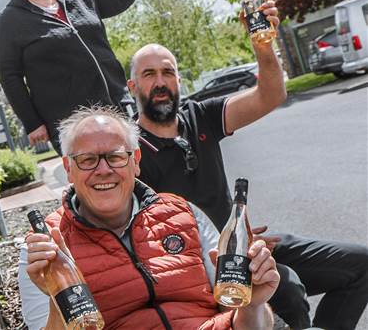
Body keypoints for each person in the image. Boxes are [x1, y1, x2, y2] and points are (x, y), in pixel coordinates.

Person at [130, 29, 368, 328]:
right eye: (149, 74)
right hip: (205, 268)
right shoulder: (128, 151)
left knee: (360, 264)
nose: (160, 82)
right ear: (133, 86)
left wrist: (263, 46)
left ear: (179, 80)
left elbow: (271, 95)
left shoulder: (199, 116)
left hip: (247, 245)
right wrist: (233, 248)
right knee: (289, 290)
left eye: (168, 72)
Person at [19, 106, 279, 329]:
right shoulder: (45, 248)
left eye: (115, 157)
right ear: (68, 169)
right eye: (87, 160)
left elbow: (242, 320)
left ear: (136, 161)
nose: (103, 170)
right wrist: (57, 293)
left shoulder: (184, 213)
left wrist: (253, 303)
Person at [0, 0, 140, 155]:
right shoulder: (9, 21)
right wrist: (32, 122)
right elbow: (10, 77)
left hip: (116, 106)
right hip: (71, 122)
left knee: (134, 168)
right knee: (95, 182)